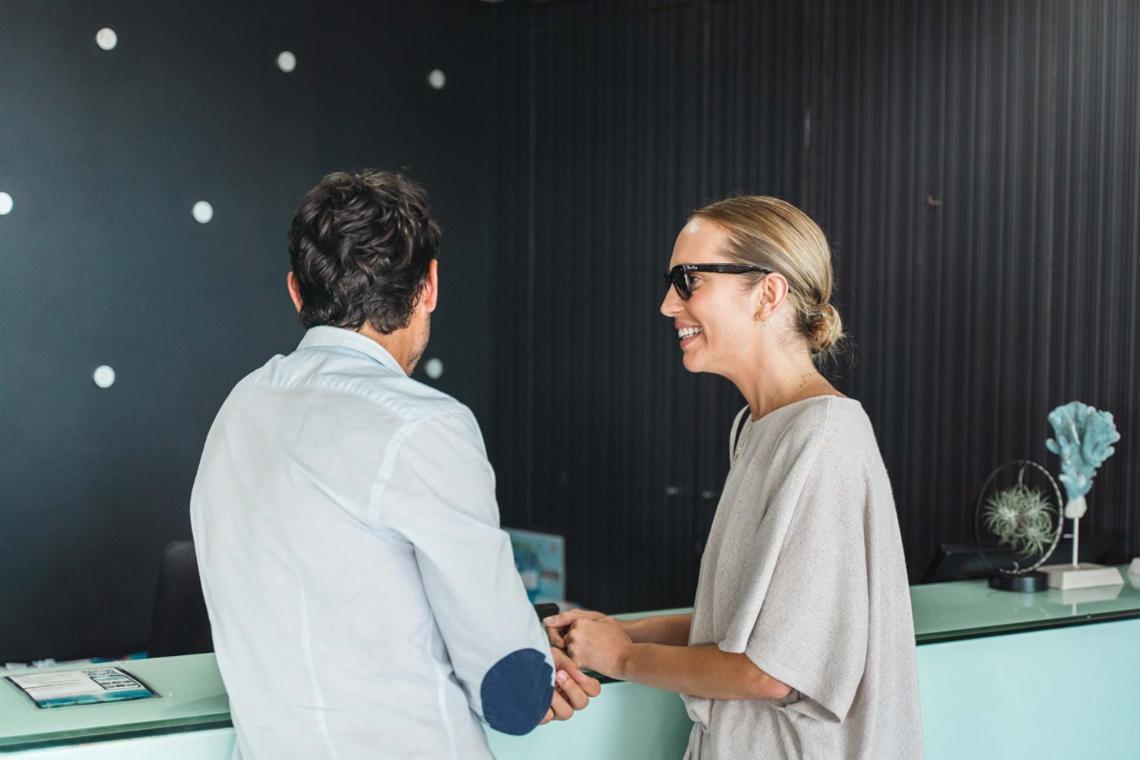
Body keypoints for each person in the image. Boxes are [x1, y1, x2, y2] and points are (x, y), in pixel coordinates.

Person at [190, 170, 598, 760]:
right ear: (429, 285)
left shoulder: (242, 405)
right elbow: (510, 692)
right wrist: (538, 672)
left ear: (296, 293)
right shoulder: (425, 424)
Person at [545, 196, 923, 759]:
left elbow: (773, 670)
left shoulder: (824, 437)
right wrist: (621, 631)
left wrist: (623, 657)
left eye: (688, 280)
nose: (668, 304)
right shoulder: (760, 427)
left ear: (767, 294)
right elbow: (752, 624)